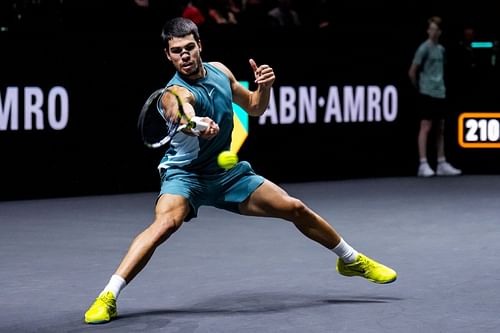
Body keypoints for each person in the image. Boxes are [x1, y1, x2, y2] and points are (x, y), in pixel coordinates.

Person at [84, 17, 397, 324]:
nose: (185, 56)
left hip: (227, 177)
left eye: (189, 47)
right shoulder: (174, 92)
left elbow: (255, 107)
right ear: (167, 55)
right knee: (166, 223)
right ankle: (108, 296)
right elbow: (180, 110)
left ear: (200, 45)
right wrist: (195, 124)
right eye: (177, 51)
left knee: (294, 207)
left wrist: (266, 87)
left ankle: (351, 260)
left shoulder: (220, 71)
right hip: (185, 176)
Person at [408, 16, 462, 177]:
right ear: (427, 31)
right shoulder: (423, 48)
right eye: (430, 29)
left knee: (440, 128)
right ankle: (423, 164)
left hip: (440, 92)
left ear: (440, 32)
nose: (432, 32)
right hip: (426, 93)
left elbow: (441, 69)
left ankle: (441, 163)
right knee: (426, 127)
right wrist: (420, 88)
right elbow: (412, 71)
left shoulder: (442, 50)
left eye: (435, 29)